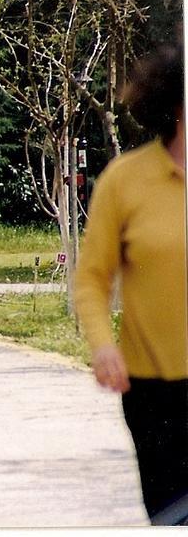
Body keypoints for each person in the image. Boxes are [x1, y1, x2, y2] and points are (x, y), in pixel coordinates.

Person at [74, 40, 187, 523]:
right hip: (155, 393)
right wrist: (102, 345)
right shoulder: (124, 181)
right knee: (171, 516)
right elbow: (91, 279)